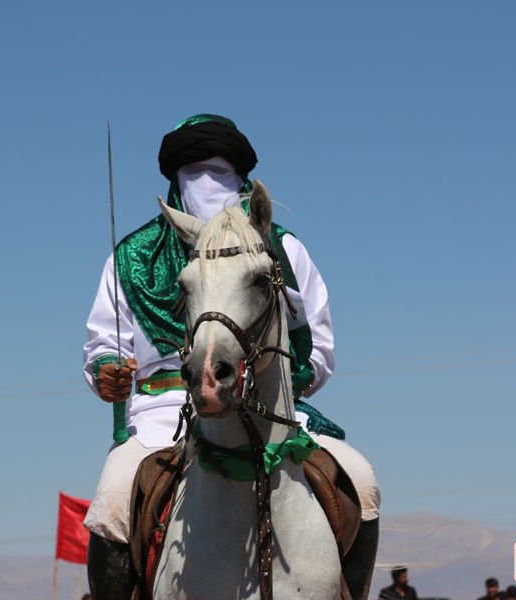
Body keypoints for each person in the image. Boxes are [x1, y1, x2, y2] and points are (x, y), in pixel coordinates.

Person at [83, 114, 381, 600]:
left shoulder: (282, 247)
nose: (207, 184)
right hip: (163, 412)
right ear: (174, 179)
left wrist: (280, 378)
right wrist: (107, 373)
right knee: (113, 502)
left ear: (241, 178)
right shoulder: (132, 255)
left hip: (270, 406)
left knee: (362, 482)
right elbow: (104, 344)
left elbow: (319, 347)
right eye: (194, 171)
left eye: (220, 172)